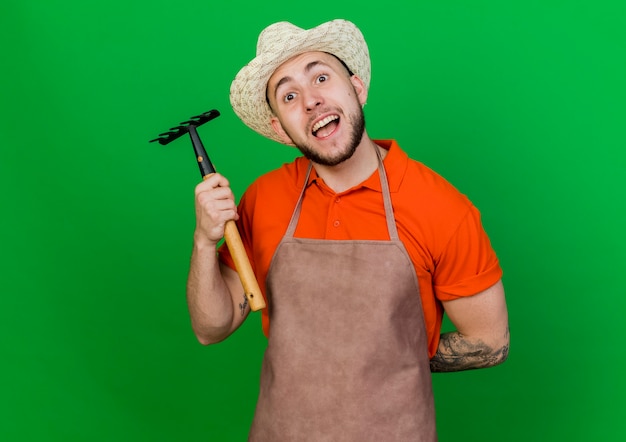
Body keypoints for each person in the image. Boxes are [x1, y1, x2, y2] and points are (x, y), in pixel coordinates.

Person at [186, 19, 509, 441]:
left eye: (321, 77)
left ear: (357, 89)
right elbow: (211, 329)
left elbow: (489, 342)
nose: (311, 101)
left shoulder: (441, 207)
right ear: (280, 128)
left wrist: (383, 359)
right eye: (289, 95)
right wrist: (204, 241)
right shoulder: (263, 199)